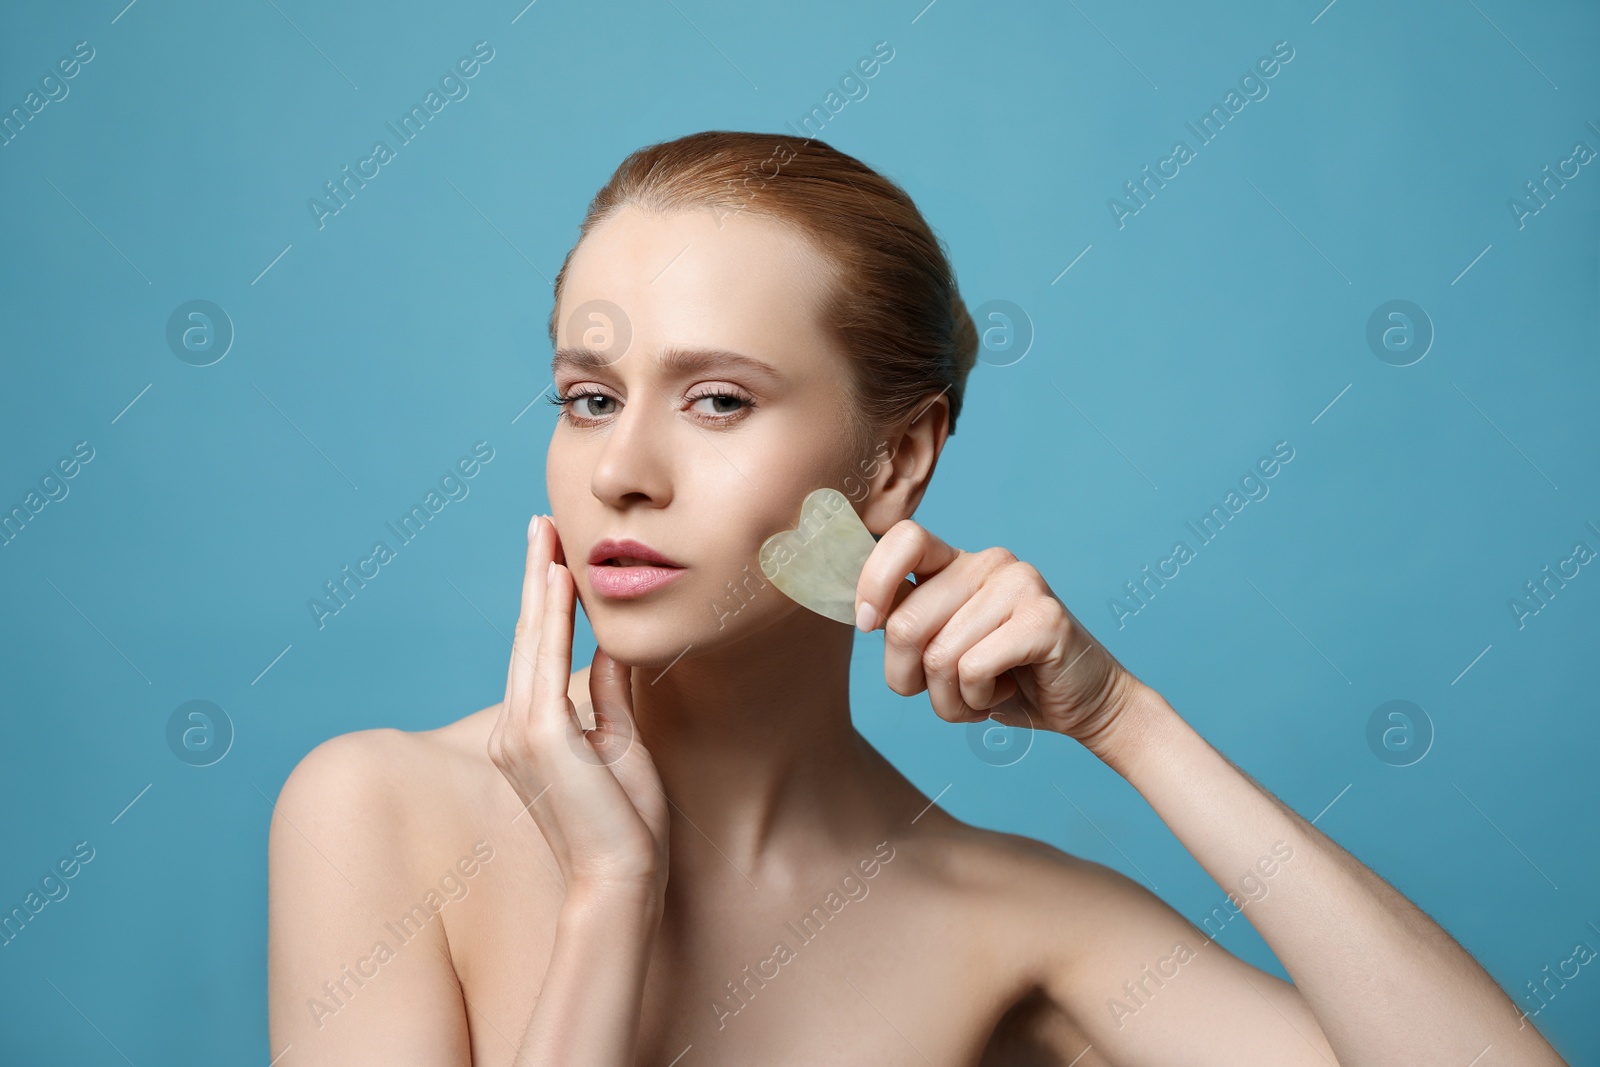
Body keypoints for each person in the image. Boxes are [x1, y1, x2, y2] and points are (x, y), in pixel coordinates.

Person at [267, 131, 1567, 1066]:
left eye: (718, 399)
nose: (624, 472)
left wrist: (1129, 724)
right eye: (590, 398)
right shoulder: (380, 814)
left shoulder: (1010, 924)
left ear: (895, 460)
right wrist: (611, 897)